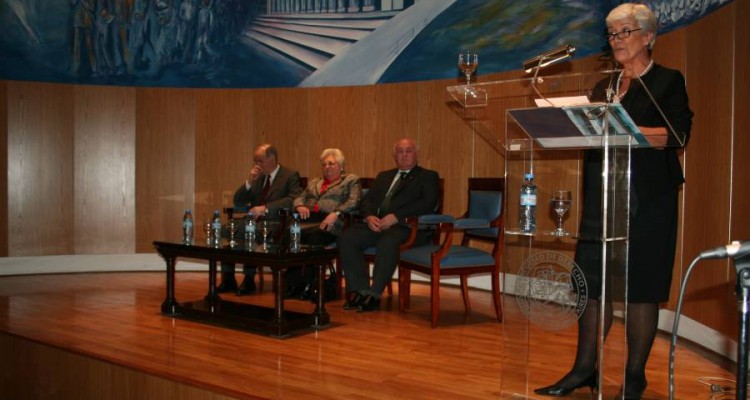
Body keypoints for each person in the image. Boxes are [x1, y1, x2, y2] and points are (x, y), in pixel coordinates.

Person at [534, 3, 693, 400]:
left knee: (640, 287)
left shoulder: (667, 81)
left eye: (624, 32)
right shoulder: (603, 87)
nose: (616, 41)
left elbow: (676, 135)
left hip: (648, 199)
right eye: (611, 34)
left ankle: (635, 376)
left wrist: (626, 131)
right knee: (593, 284)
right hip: (603, 193)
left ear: (648, 36)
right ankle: (584, 368)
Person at [337, 138, 440, 312]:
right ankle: (360, 290)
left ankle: (374, 295)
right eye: (400, 151)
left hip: (407, 228)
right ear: (394, 156)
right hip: (377, 225)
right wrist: (369, 217)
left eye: (409, 150)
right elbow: (366, 201)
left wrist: (396, 217)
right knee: (347, 237)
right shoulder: (384, 176)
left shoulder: (428, 176)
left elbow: (427, 203)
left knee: (388, 241)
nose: (404, 155)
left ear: (417, 154)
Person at [217, 144, 303, 295]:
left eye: (260, 160)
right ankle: (228, 278)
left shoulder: (289, 175)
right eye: (255, 161)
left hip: (275, 222)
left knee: (250, 231)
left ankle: (249, 280)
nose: (257, 164)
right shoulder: (259, 176)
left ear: (272, 158)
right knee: (225, 230)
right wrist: (250, 181)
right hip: (253, 220)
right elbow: (238, 201)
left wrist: (266, 208)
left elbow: (293, 199)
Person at [286, 148, 362, 299]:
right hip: (308, 221)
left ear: (341, 166)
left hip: (331, 223)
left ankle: (310, 284)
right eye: (324, 164)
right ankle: (293, 284)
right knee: (289, 236)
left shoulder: (350, 180)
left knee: (314, 239)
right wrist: (300, 206)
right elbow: (299, 198)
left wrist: (337, 213)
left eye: (331, 163)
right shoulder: (315, 182)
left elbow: (354, 201)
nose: (327, 167)